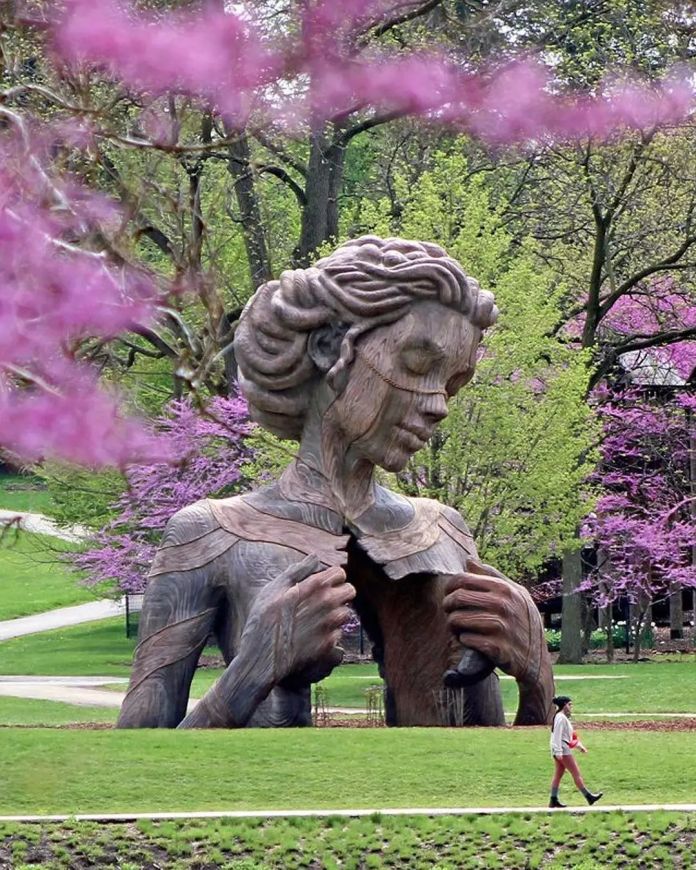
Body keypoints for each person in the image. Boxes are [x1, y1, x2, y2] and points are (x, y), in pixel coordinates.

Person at [117, 236, 554, 730]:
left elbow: (492, 773)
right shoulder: (211, 534)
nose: (439, 403)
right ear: (329, 347)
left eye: (452, 380)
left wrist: (537, 673)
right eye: (417, 363)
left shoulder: (444, 531)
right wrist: (254, 669)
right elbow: (132, 763)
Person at [549, 695, 603, 808]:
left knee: (558, 775)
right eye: (569, 705)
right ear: (564, 705)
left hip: (561, 749)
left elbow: (569, 736)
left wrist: (579, 746)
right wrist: (558, 752)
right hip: (563, 750)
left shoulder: (562, 717)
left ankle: (553, 800)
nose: (571, 707)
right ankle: (589, 797)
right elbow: (557, 735)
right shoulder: (560, 718)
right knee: (576, 773)